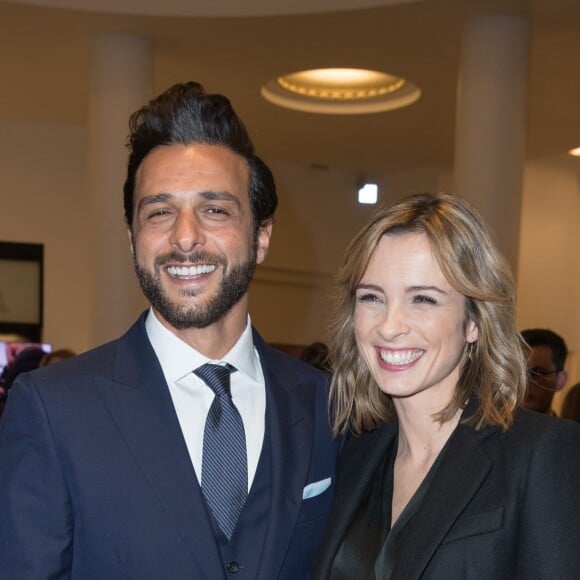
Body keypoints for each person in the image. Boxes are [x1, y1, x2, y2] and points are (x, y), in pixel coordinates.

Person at [0, 82, 338, 580]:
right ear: (133, 237)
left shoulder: (329, 407)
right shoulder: (53, 411)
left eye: (215, 209)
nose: (184, 236)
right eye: (159, 212)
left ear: (261, 236)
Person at [311, 193, 580, 579]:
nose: (389, 325)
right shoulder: (354, 457)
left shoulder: (540, 453)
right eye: (372, 297)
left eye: (423, 299)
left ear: (475, 321)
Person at [521, 328, 568, 415]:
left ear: (560, 380)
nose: (525, 383)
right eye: (518, 374)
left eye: (537, 373)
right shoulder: (492, 427)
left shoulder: (569, 428)